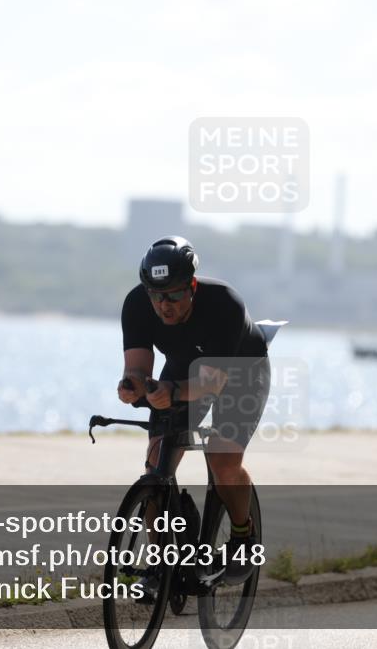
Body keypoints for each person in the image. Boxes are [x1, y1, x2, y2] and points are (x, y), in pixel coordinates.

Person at [118, 235, 270, 585]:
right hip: (184, 368)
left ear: (192, 286)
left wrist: (170, 392)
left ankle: (243, 537)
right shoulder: (137, 304)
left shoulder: (224, 303)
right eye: (156, 295)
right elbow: (137, 368)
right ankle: (162, 563)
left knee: (222, 458)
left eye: (173, 294)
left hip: (242, 372)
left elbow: (213, 382)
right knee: (156, 464)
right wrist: (133, 386)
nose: (163, 305)